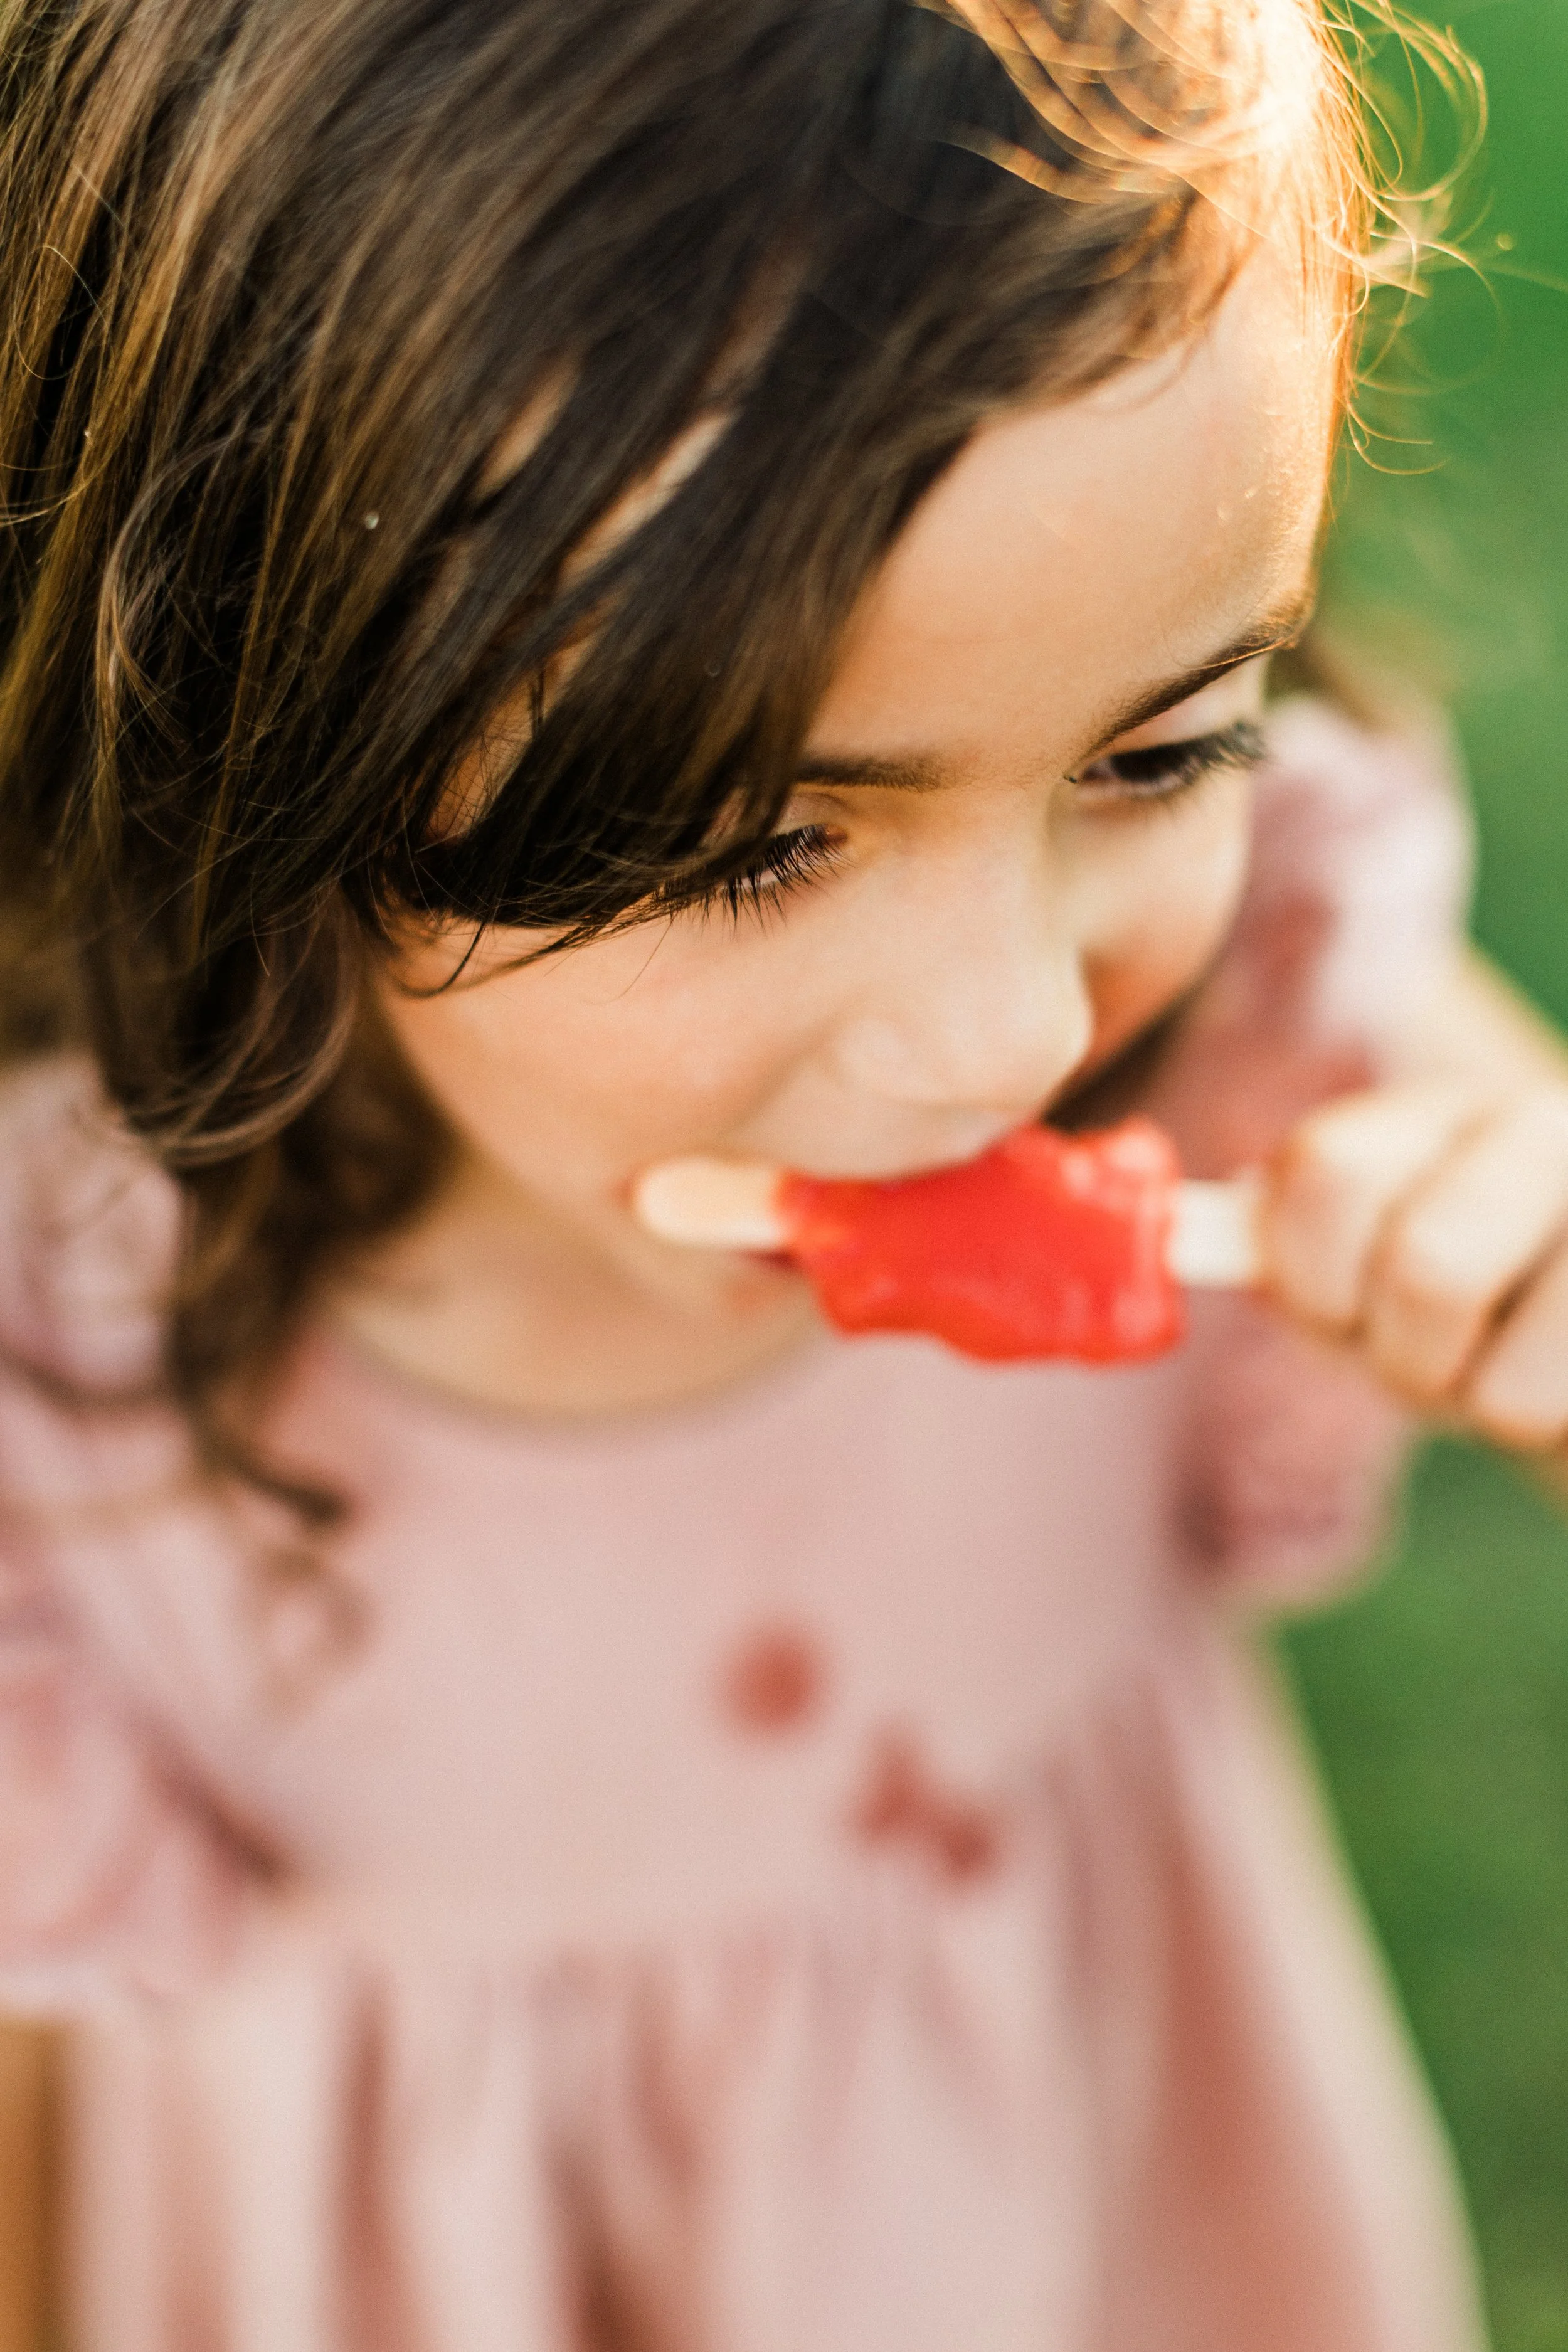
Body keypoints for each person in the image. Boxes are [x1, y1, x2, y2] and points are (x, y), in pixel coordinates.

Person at [0, 0, 1562, 2343]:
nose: (1016, 1037)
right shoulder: (43, 1394)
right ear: (237, 727)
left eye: (1157, 752)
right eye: (742, 845)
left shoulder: (1263, 1051)